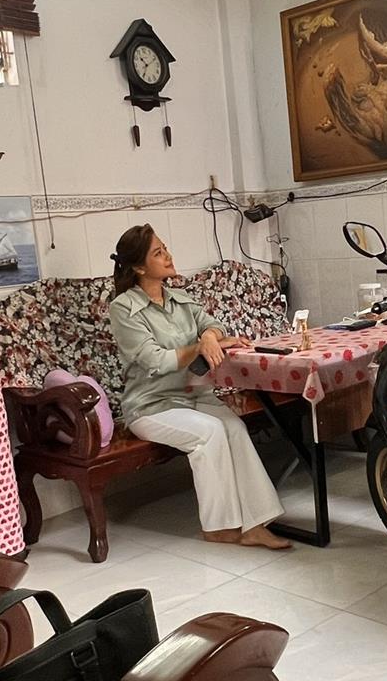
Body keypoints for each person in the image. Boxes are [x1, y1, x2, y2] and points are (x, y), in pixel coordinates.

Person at [106, 225, 290, 549]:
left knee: (234, 428)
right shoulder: (123, 309)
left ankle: (256, 524)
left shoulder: (180, 299)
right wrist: (200, 347)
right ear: (139, 268)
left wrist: (208, 337)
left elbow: (213, 325)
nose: (168, 256)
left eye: (165, 248)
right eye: (158, 253)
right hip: (150, 406)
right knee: (210, 432)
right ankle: (219, 527)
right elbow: (156, 360)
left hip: (191, 396)